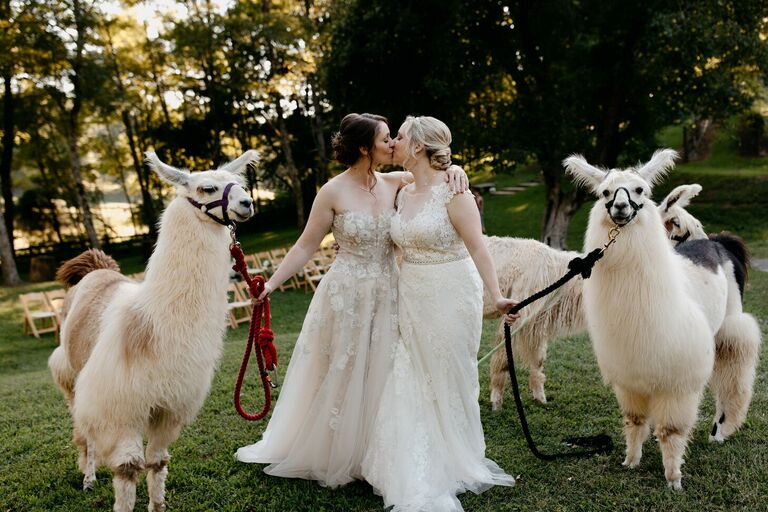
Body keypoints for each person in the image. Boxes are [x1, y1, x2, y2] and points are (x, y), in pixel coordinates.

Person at [234, 113, 468, 487]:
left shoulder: (395, 182)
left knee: (386, 370)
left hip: (391, 290)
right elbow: (305, 246)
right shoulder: (332, 192)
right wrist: (271, 285)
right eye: (386, 138)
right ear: (364, 148)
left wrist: (458, 171)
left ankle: (378, 450)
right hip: (346, 293)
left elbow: (434, 172)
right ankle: (337, 450)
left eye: (394, 137)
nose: (393, 144)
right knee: (343, 370)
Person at [361, 116, 518, 511]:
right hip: (411, 292)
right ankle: (408, 456)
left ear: (417, 147)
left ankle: (455, 455)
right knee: (411, 371)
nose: (393, 141)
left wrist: (496, 296)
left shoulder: (455, 194)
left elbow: (479, 248)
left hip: (451, 292)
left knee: (449, 373)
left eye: (399, 136)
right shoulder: (402, 189)